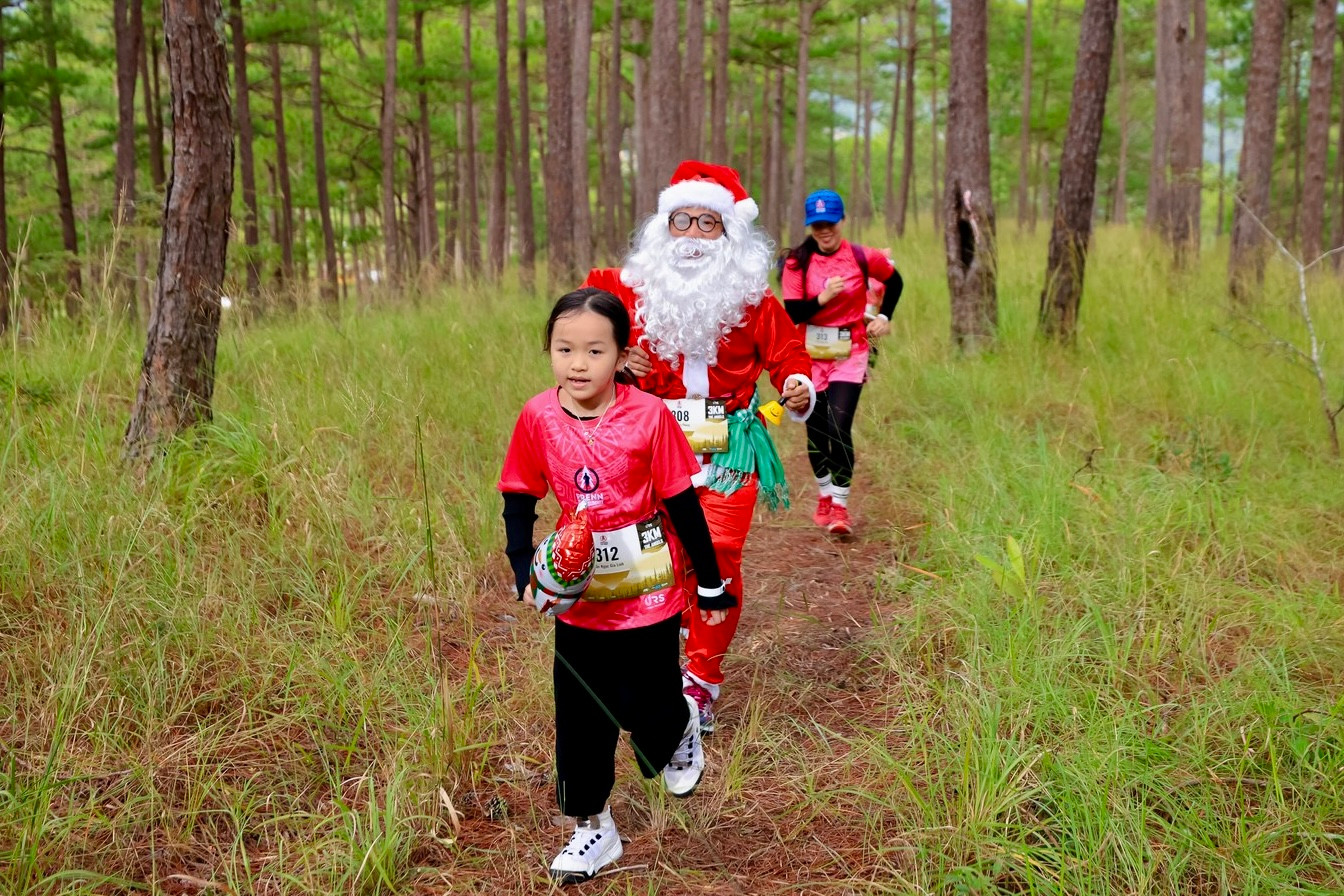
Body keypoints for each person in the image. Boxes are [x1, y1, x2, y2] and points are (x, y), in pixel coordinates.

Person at [498, 287, 732, 885]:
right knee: (581, 715)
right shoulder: (537, 417)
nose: (578, 364)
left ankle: (678, 723)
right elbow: (519, 494)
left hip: (648, 590)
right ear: (549, 351)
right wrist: (523, 567)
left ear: (622, 356)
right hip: (579, 598)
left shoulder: (649, 416)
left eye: (595, 351)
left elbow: (682, 502)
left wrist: (709, 582)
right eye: (565, 349)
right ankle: (592, 827)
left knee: (645, 706)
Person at [582, 160, 815, 736]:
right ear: (663, 228)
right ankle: (665, 647)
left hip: (731, 445)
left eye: (707, 223)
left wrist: (796, 383)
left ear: (729, 235)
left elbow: (789, 354)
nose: (691, 235)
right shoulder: (626, 291)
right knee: (659, 556)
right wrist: (619, 361)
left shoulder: (753, 300)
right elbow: (584, 341)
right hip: (652, 444)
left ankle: (702, 681)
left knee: (720, 553)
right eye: (680, 220)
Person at [780, 189, 903, 536]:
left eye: (830, 223)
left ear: (842, 221)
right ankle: (823, 494)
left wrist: (884, 317)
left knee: (839, 427)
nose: (824, 231)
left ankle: (840, 506)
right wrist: (824, 297)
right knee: (817, 430)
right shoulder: (796, 263)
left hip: (851, 351)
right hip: (809, 354)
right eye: (817, 225)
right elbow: (793, 312)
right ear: (810, 225)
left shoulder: (863, 257)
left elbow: (895, 281)